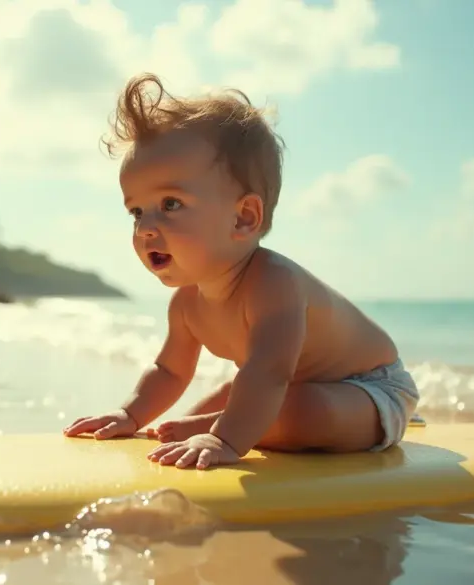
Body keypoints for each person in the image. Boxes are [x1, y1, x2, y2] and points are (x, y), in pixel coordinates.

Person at [62, 73, 420, 470]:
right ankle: (204, 424)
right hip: (281, 385)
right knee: (237, 397)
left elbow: (269, 373)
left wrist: (224, 442)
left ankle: (215, 426)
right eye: (136, 211)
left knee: (289, 408)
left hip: (370, 388)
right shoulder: (186, 305)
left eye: (171, 204)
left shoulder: (275, 283)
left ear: (243, 218)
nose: (146, 227)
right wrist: (130, 416)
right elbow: (168, 371)